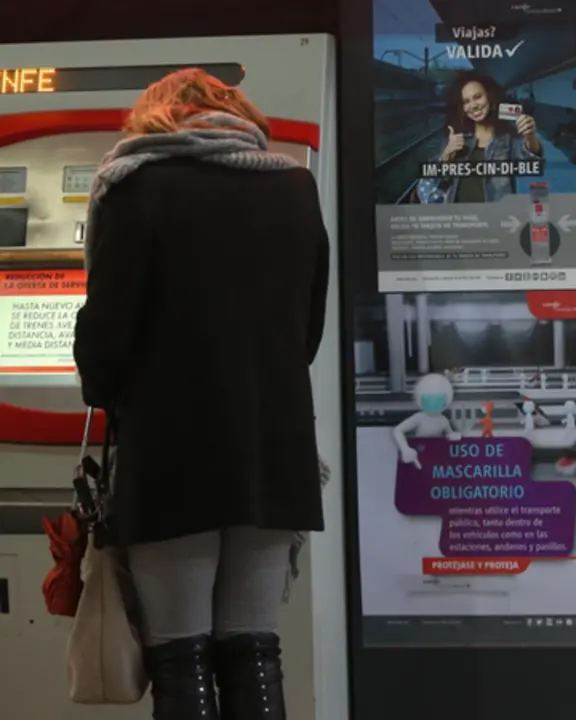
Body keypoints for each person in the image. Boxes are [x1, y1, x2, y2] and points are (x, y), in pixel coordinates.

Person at [73, 68, 328, 720]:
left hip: (172, 451)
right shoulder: (296, 187)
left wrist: (102, 388)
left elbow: (106, 335)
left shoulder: (136, 187)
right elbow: (307, 331)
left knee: (180, 652)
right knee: (253, 646)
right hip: (274, 449)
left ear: (154, 119)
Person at [418, 70, 544, 204]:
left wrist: (530, 136)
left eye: (478, 97)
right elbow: (436, 184)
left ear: (489, 97)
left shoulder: (508, 135)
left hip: (496, 218)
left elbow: (530, 163)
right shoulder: (455, 137)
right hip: (460, 219)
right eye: (466, 101)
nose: (473, 105)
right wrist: (445, 156)